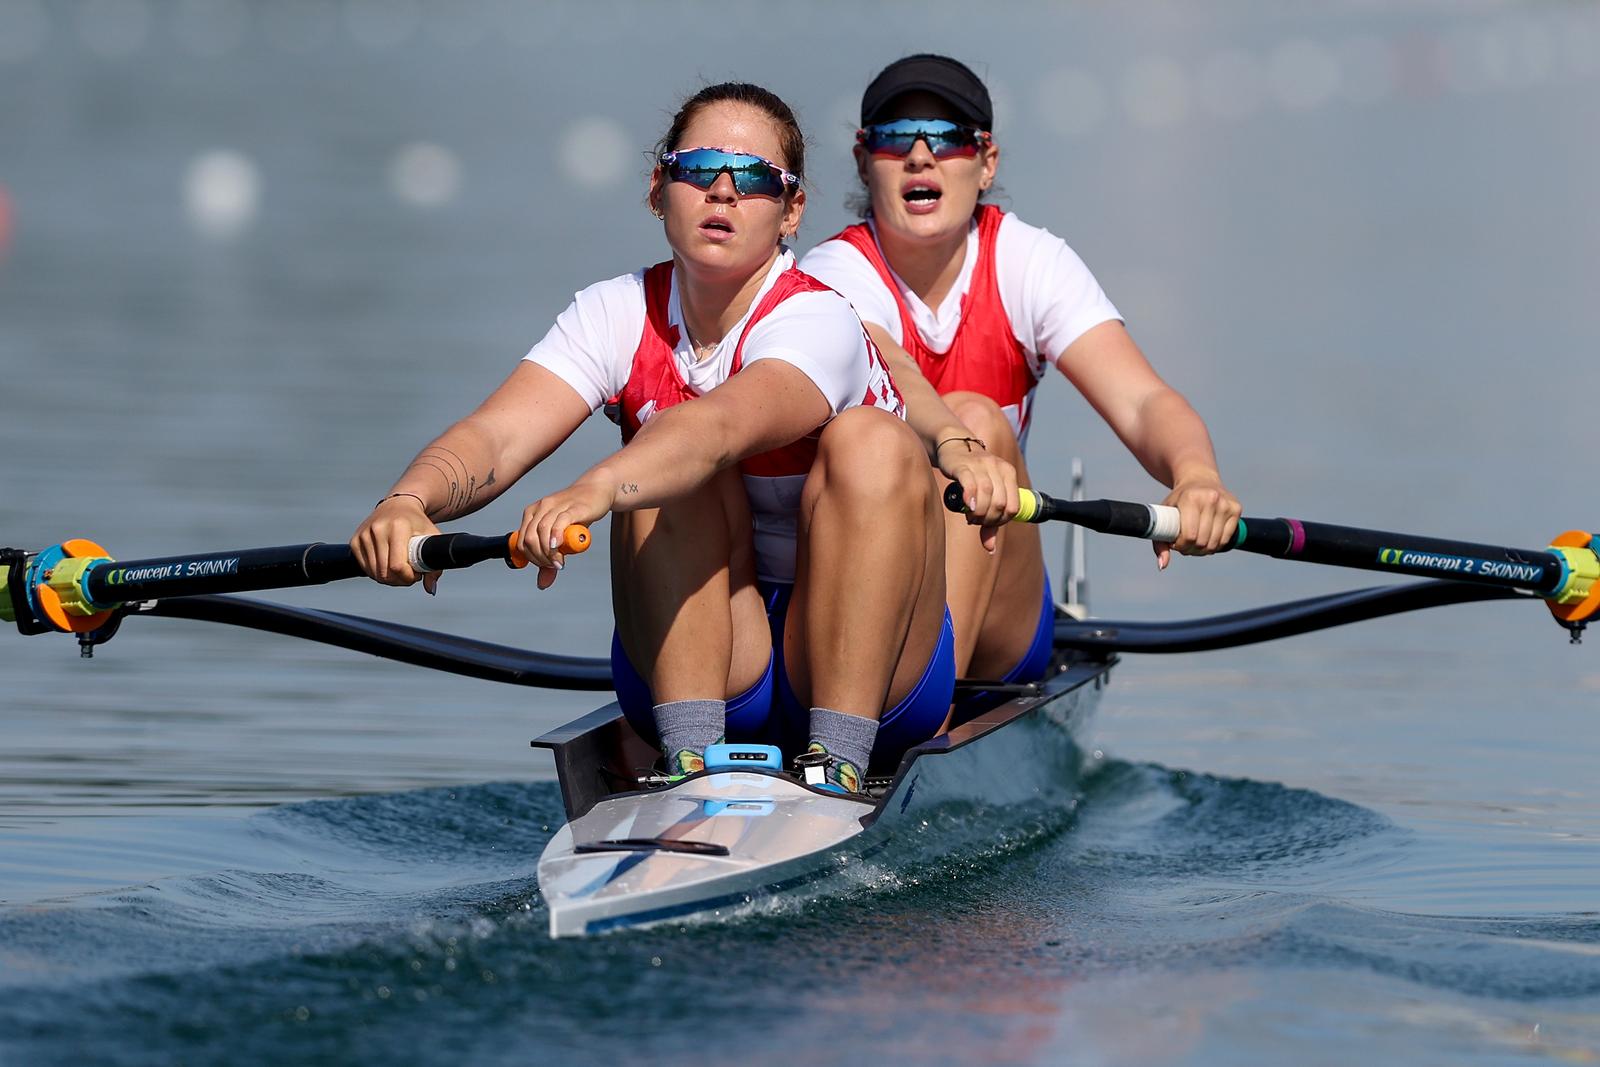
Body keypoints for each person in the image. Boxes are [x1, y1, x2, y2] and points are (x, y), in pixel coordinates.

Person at [350, 82, 972, 794]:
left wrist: (593, 488)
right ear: (658, 189)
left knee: (860, 440)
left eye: (757, 180)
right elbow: (496, 436)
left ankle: (837, 760)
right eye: (700, 168)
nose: (724, 192)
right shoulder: (612, 312)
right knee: (663, 457)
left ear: (791, 211)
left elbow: (716, 429)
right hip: (712, 654)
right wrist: (408, 499)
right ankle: (689, 762)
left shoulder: (820, 321)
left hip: (879, 674)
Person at [800, 54, 1242, 725]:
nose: (922, 156)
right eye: (896, 136)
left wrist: (1197, 475)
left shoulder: (1031, 264)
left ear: (987, 162)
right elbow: (890, 366)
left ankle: (916, 726)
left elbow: (1144, 401)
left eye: (948, 138)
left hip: (998, 619)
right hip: (860, 599)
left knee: (978, 416)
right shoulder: (833, 273)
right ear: (865, 161)